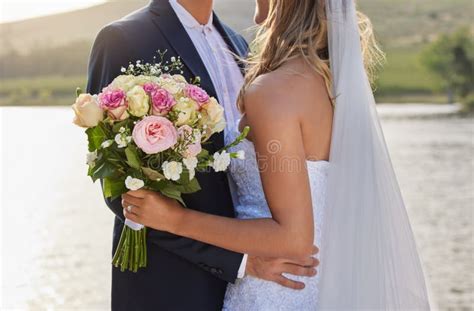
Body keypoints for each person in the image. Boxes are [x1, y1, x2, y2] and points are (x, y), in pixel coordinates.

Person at [122, 0, 432, 310]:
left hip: (278, 290)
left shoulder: (274, 92)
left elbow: (294, 238)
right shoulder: (329, 83)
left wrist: (175, 218)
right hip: (322, 285)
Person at [87, 0, 317, 310]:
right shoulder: (124, 39)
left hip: (254, 289)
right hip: (169, 286)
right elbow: (122, 191)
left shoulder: (238, 43)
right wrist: (240, 262)